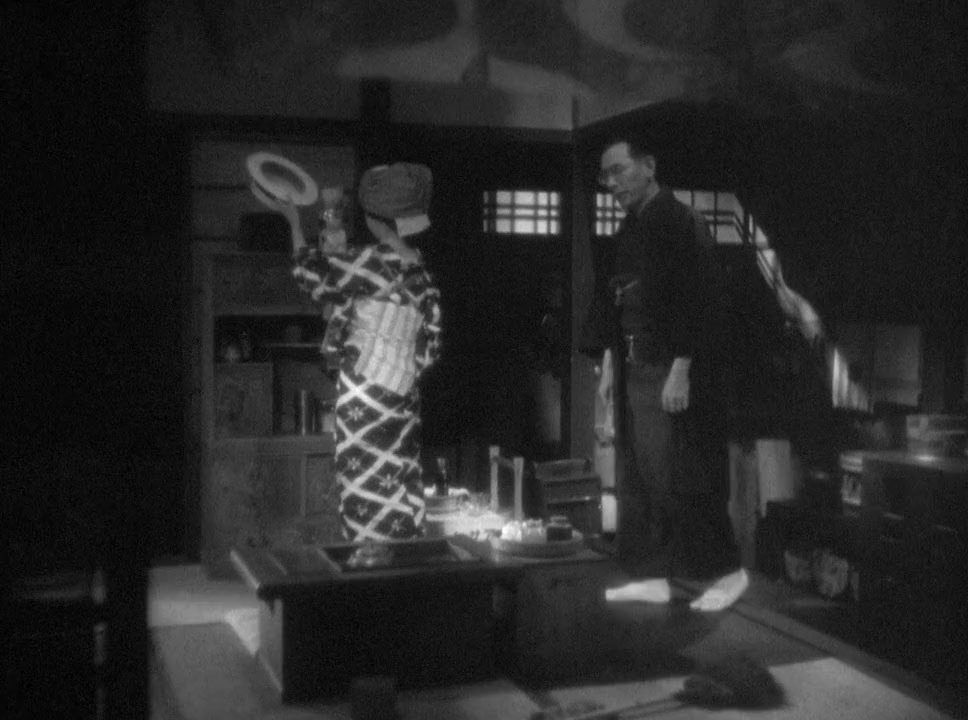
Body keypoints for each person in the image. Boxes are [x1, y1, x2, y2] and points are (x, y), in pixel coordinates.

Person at [580, 136, 748, 612]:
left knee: (686, 474)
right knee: (641, 476)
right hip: (634, 367)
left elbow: (703, 300)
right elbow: (616, 302)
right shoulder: (629, 229)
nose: (612, 183)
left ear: (649, 165)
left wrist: (682, 367)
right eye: (605, 176)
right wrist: (609, 366)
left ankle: (727, 571)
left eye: (619, 170)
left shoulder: (682, 221)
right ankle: (653, 575)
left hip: (672, 367)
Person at [257, 162, 442, 542]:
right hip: (404, 396)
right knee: (401, 472)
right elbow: (431, 349)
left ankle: (367, 554)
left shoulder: (369, 263)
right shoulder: (423, 276)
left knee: (362, 476)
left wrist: (293, 221)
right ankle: (405, 555)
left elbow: (311, 276)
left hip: (366, 392)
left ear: (375, 221)